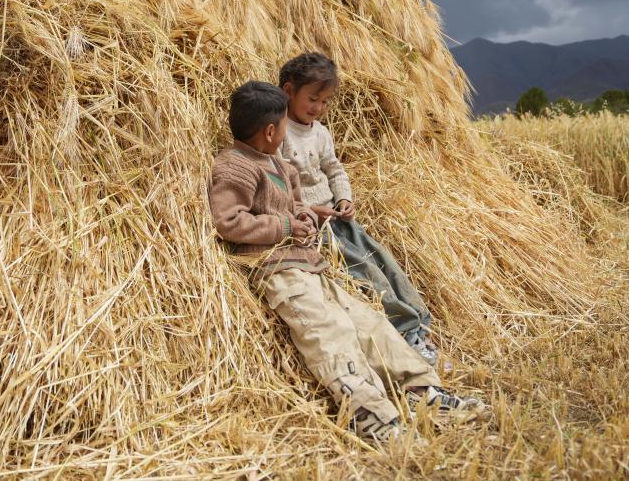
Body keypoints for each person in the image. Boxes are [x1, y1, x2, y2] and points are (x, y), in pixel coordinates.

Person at [207, 81, 486, 442]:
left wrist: (305, 216)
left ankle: (422, 394)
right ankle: (369, 413)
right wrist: (286, 225)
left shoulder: (279, 164)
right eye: (284, 127)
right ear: (272, 130)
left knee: (369, 325)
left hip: (309, 264)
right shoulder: (235, 167)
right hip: (278, 271)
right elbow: (228, 221)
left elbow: (293, 206)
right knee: (328, 331)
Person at [277, 52, 440, 364]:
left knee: (383, 261)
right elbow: (281, 184)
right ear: (288, 91)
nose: (318, 108)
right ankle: (405, 334)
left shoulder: (320, 133)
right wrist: (311, 210)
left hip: (338, 218)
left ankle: (419, 322)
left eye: (325, 102)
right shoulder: (280, 132)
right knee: (366, 274)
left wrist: (344, 199)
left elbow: (334, 170)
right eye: (313, 99)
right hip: (316, 226)